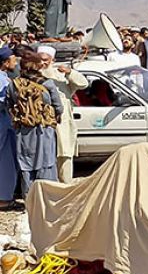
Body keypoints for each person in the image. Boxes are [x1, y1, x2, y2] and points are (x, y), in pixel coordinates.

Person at [7, 50, 62, 194]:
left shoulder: (14, 85)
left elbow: (9, 105)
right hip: (43, 130)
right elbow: (58, 107)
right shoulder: (47, 84)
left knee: (26, 165)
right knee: (46, 163)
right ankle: (47, 197)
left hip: (23, 130)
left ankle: (29, 199)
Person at [37, 45, 88, 183]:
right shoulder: (33, 75)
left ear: (52, 59)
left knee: (64, 158)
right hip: (42, 123)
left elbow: (83, 84)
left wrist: (69, 72)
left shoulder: (61, 76)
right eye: (40, 60)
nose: (43, 63)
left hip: (62, 123)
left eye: (46, 60)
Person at [0, 47, 18, 207]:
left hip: (6, 123)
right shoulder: (1, 80)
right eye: (13, 59)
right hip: (3, 124)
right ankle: (4, 199)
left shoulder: (4, 77)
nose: (16, 62)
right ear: (5, 63)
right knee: (5, 162)